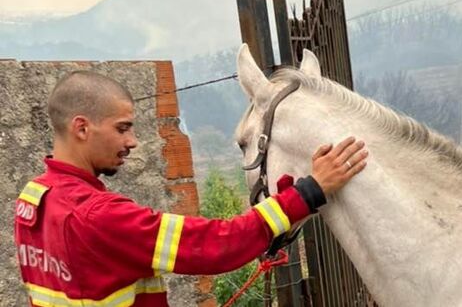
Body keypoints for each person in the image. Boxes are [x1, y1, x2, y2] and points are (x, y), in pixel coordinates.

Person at [14, 70, 368, 306]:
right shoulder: (97, 216)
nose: (133, 141)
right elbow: (217, 244)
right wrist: (310, 192)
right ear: (81, 128)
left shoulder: (35, 197)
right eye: (122, 128)